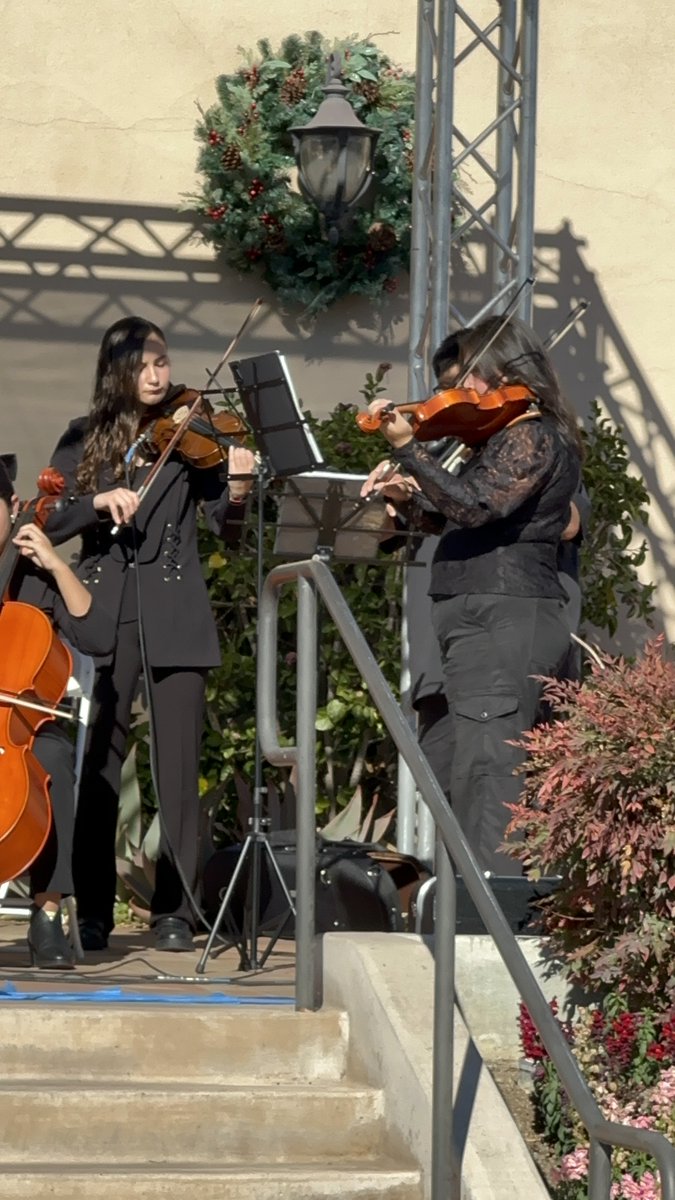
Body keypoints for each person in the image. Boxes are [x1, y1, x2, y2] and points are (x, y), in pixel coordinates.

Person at [44, 316, 256, 952]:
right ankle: (94, 913)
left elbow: (229, 528)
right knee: (100, 764)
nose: (159, 376)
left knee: (177, 768)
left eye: (163, 363)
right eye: (145, 365)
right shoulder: (84, 438)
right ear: (119, 371)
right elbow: (49, 517)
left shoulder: (193, 432)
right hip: (105, 610)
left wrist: (239, 484)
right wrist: (99, 497)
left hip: (175, 604)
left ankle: (176, 911)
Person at [362, 316, 583, 876]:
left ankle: (490, 926)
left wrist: (412, 451)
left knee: (491, 772)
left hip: (503, 609)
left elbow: (476, 507)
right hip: (478, 613)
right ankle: (464, 909)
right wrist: (403, 495)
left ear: (506, 368)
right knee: (461, 765)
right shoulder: (499, 440)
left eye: (474, 378)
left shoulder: (533, 433)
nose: (466, 395)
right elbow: (450, 516)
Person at [0, 457, 114, 968]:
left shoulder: (34, 569)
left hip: (19, 729)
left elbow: (96, 638)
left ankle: (46, 912)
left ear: (14, 510)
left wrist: (57, 564)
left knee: (53, 763)